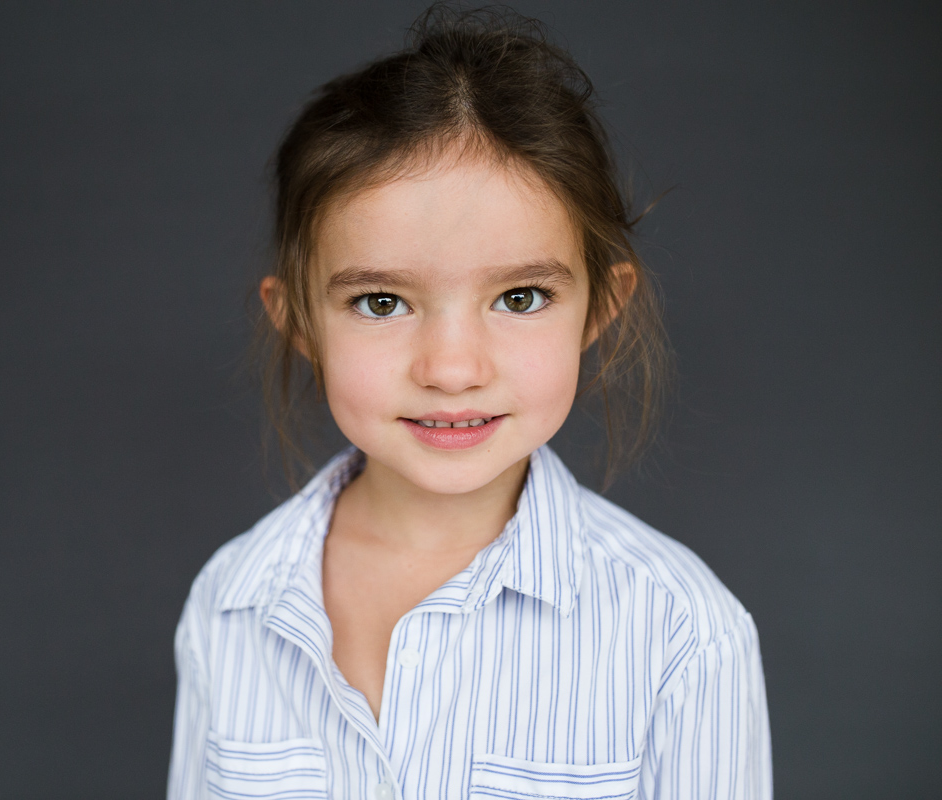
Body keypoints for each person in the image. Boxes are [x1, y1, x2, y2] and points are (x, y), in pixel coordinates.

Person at [167, 6, 772, 799]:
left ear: (599, 307)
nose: (452, 371)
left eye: (520, 297)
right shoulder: (232, 602)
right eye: (381, 303)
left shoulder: (681, 631)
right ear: (300, 322)